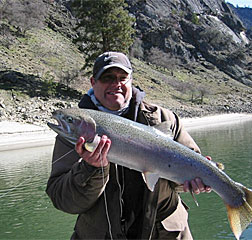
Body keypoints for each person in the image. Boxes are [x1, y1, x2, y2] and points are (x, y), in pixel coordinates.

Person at [46, 52, 212, 239]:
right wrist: (90, 169)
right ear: (93, 82)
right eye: (107, 78)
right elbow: (63, 201)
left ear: (131, 81)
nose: (115, 83)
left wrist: (194, 181)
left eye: (122, 78)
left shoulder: (165, 119)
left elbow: (184, 176)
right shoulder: (73, 136)